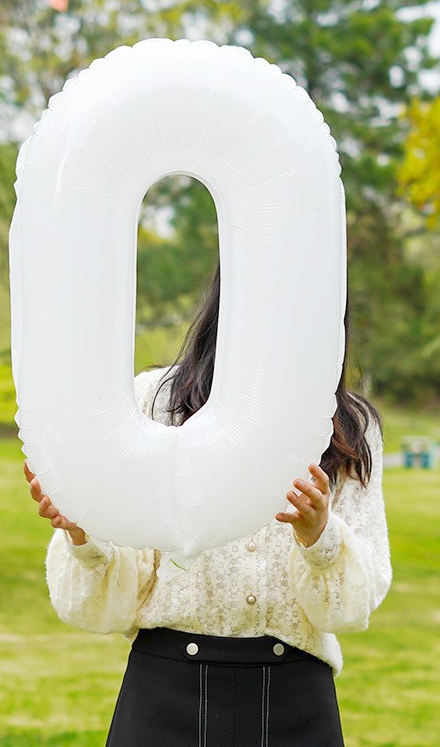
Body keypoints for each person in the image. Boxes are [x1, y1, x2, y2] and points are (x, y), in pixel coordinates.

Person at [24, 262, 391, 747]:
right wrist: (83, 532)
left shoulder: (349, 426)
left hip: (295, 701)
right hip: (164, 695)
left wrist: (318, 537)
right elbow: (115, 594)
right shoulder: (154, 400)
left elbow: (351, 608)